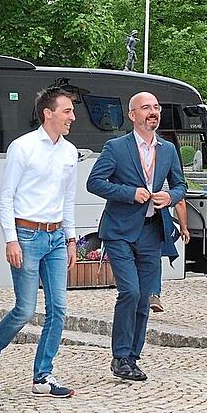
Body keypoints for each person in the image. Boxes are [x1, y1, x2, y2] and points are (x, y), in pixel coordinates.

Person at [0, 87, 78, 398]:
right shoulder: (22, 148)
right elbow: (6, 196)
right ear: (47, 113)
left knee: (58, 309)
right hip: (27, 235)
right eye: (67, 111)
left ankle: (42, 376)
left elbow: (68, 199)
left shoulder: (70, 152)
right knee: (24, 309)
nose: (72, 117)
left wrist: (72, 238)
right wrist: (11, 239)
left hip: (57, 237)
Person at [87, 91, 186, 381]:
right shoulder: (116, 147)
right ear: (133, 115)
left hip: (152, 232)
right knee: (129, 292)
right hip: (119, 232)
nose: (153, 112)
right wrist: (130, 193)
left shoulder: (167, 149)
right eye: (146, 108)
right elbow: (95, 183)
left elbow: (180, 185)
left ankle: (132, 357)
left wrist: (169, 196)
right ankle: (119, 356)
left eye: (156, 107)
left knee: (144, 297)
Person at [149, 199, 189, 313]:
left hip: (130, 218)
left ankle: (136, 293)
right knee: (155, 256)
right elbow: (180, 201)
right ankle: (153, 294)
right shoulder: (166, 181)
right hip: (157, 218)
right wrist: (183, 227)